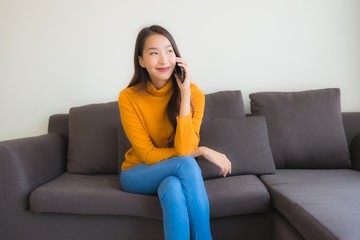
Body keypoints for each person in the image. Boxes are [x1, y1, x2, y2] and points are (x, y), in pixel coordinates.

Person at [118, 25, 232, 240]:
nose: (164, 60)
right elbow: (149, 155)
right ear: (141, 61)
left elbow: (183, 148)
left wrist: (185, 93)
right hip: (137, 173)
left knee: (172, 187)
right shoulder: (128, 97)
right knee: (187, 162)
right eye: (154, 53)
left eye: (169, 51)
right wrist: (201, 150)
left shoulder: (194, 95)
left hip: (174, 173)